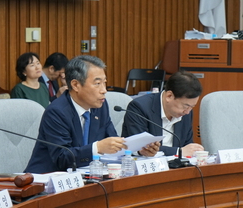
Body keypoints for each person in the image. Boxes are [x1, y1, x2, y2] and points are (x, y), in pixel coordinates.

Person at [24, 55, 160, 173]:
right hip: (45, 181)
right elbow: (62, 158)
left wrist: (139, 150)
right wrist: (97, 148)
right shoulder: (56, 112)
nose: (104, 90)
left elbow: (113, 141)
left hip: (84, 176)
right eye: (97, 84)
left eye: (104, 83)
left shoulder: (100, 106)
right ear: (76, 85)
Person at [122, 71, 204, 157]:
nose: (187, 111)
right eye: (185, 106)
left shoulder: (186, 113)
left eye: (192, 107)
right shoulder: (139, 107)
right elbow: (141, 147)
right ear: (169, 96)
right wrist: (178, 151)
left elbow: (187, 146)